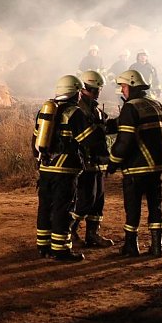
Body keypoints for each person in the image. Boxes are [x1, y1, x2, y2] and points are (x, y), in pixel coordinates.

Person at [32, 75, 105, 262]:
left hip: (46, 168)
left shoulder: (45, 110)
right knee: (62, 208)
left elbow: (35, 142)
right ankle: (61, 249)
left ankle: (43, 246)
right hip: (66, 170)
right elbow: (89, 140)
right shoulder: (74, 112)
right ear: (75, 92)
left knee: (45, 207)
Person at [106, 69, 162, 257]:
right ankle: (157, 247)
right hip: (155, 166)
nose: (122, 90)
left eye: (123, 86)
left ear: (131, 86)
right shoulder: (155, 105)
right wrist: (109, 124)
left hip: (136, 166)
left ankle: (131, 246)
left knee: (133, 207)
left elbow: (125, 141)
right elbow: (136, 125)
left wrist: (113, 162)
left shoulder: (130, 107)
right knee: (155, 206)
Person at [69, 70, 113, 248]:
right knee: (85, 200)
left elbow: (103, 130)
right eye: (93, 90)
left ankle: (92, 234)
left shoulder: (96, 110)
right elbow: (87, 137)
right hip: (84, 163)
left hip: (98, 162)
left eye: (97, 90)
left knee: (98, 201)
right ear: (83, 89)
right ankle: (69, 230)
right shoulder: (78, 110)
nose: (96, 93)